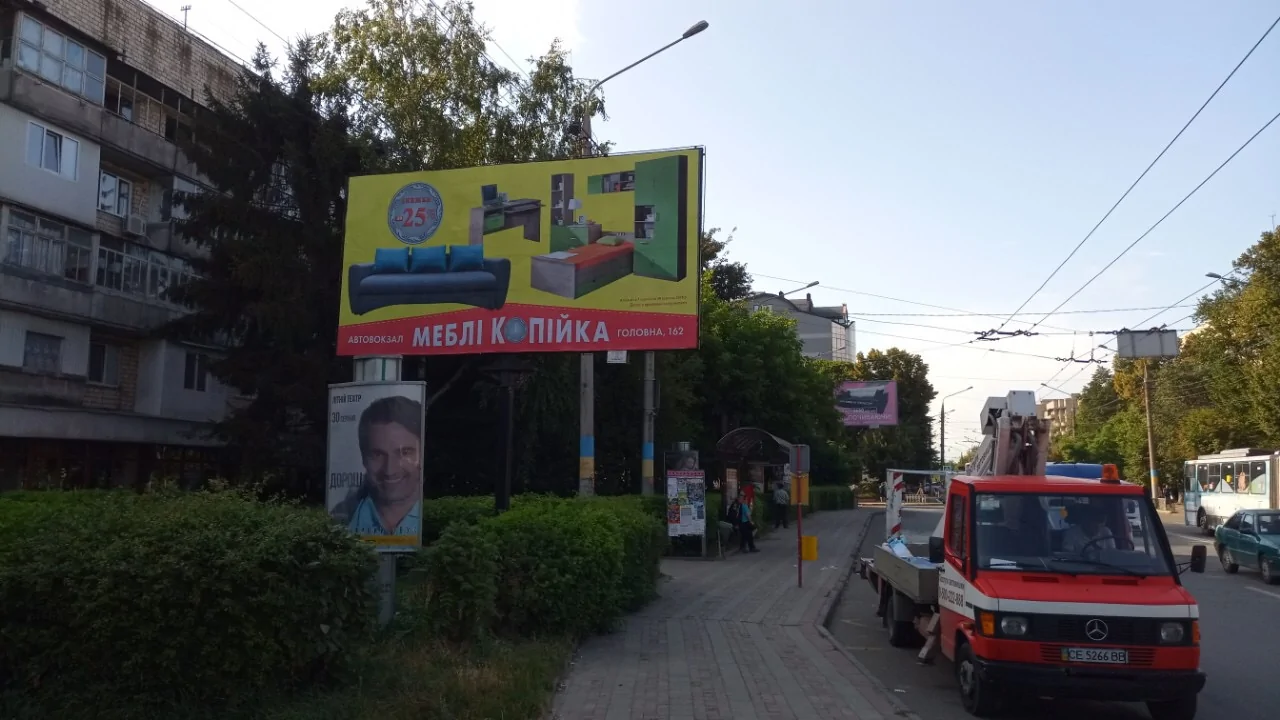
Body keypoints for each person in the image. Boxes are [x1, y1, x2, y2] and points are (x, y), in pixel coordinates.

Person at [336, 395, 423, 539]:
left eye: (405, 452)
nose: (390, 470)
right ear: (363, 458)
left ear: (423, 454)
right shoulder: (340, 520)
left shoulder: (439, 521)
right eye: (378, 454)